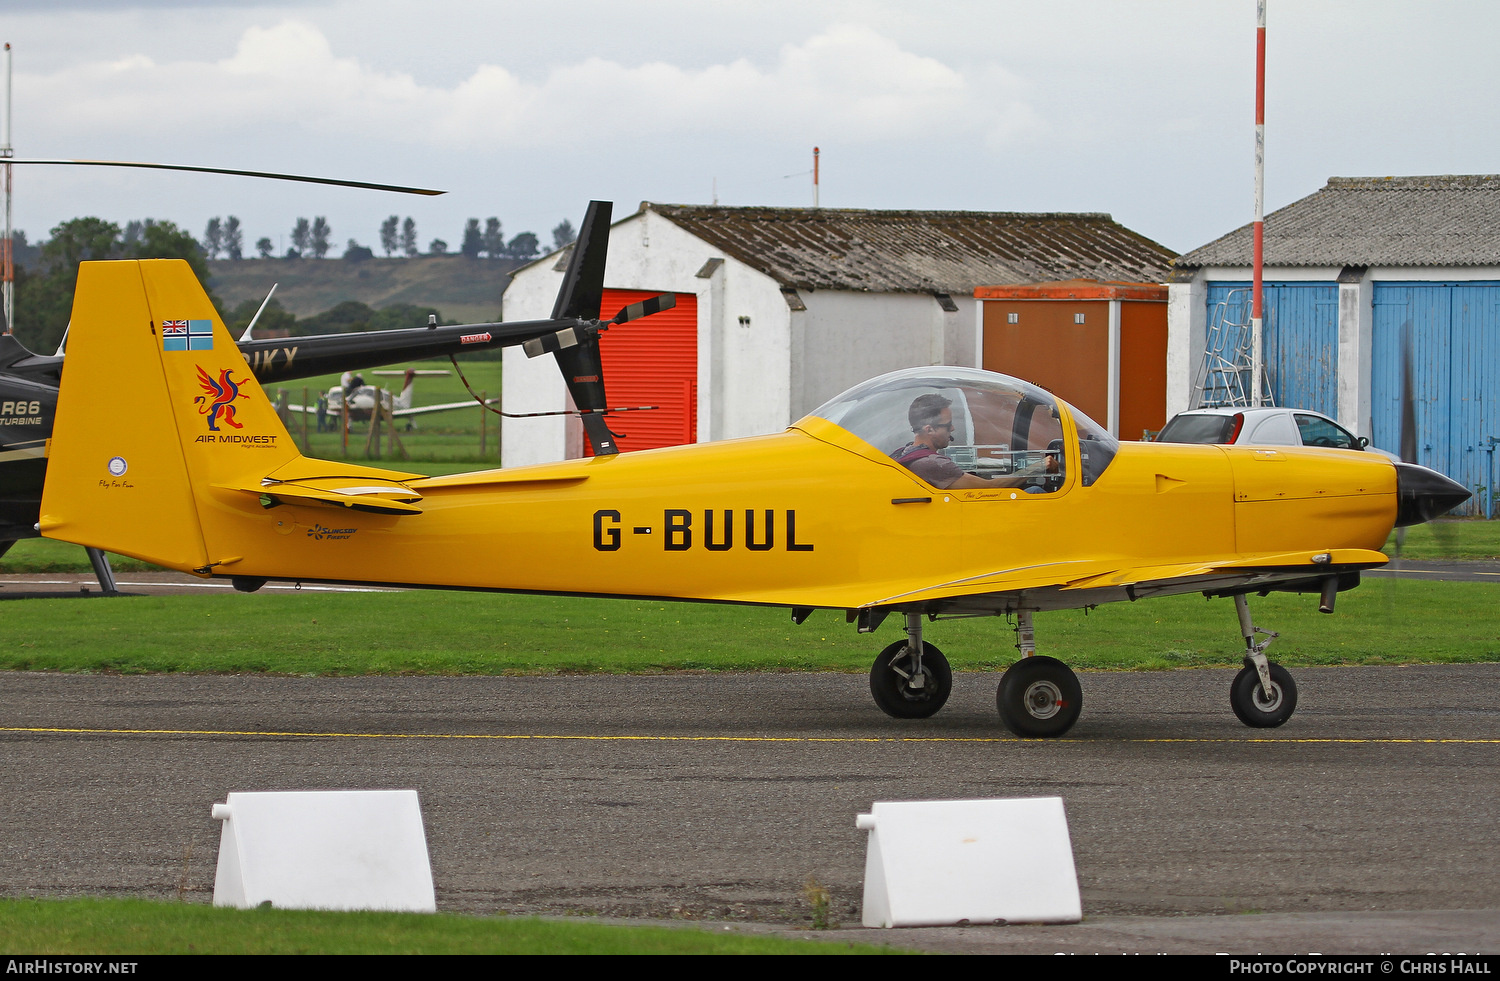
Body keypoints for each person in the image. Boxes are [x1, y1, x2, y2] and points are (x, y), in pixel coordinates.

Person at [890, 393, 995, 489]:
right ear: (929, 429)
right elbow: (989, 487)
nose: (953, 428)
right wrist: (1011, 481)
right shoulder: (932, 463)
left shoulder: (902, 453)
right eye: (948, 425)